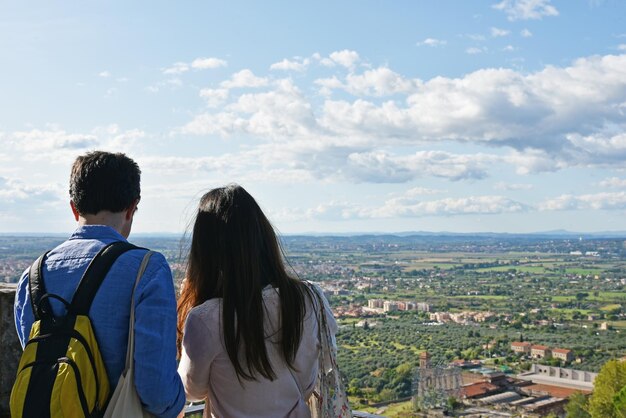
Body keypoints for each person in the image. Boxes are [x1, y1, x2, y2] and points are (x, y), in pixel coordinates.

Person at [14, 151, 185, 418]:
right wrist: (179, 402)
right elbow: (156, 391)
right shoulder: (147, 270)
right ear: (132, 208)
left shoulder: (32, 277)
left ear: (73, 207)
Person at [177, 184, 337, 418]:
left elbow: (191, 391)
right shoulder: (311, 299)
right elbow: (319, 368)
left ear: (206, 251)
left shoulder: (207, 319)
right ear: (263, 236)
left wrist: (189, 312)